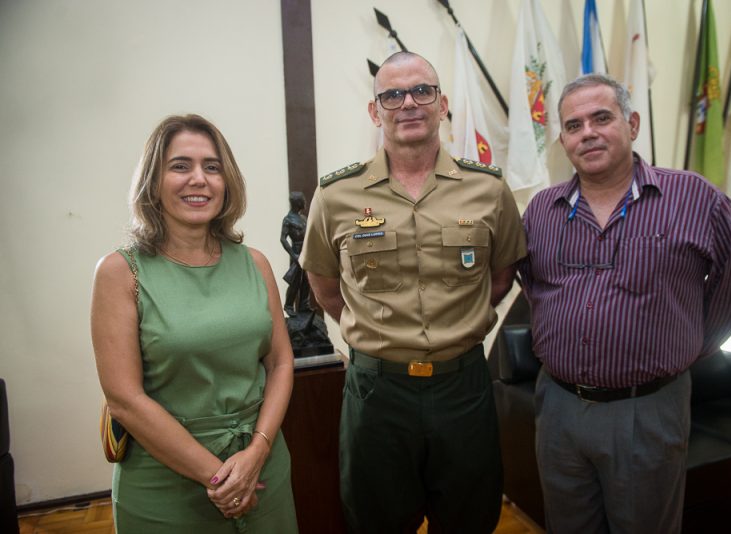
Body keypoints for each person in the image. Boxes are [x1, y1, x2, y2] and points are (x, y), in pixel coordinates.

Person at [518, 74, 731, 533]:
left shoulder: (695, 198)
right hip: (559, 407)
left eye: (601, 118)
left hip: (647, 408)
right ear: (564, 139)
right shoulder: (542, 211)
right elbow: (535, 288)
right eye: (573, 125)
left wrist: (684, 347)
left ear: (632, 123)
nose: (587, 132)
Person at [299, 51, 527, 534]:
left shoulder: (487, 189)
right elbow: (325, 288)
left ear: (442, 103)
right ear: (374, 109)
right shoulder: (336, 196)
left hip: (462, 386)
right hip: (377, 392)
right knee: (375, 519)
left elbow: (502, 276)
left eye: (422, 91)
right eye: (392, 94)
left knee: (470, 516)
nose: (408, 103)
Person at [90, 114, 298, 533]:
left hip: (262, 469)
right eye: (180, 166)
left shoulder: (255, 264)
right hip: (167, 484)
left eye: (212, 167)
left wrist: (257, 450)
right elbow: (125, 399)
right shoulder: (120, 272)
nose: (199, 179)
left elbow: (280, 364)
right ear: (154, 180)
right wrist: (219, 478)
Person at [280, 191, 311, 316]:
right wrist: (294, 255)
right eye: (303, 200)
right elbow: (283, 239)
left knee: (308, 280)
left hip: (307, 251)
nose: (305, 202)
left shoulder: (303, 218)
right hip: (297, 251)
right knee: (295, 281)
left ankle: (304, 305)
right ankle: (288, 305)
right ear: (297, 203)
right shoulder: (288, 219)